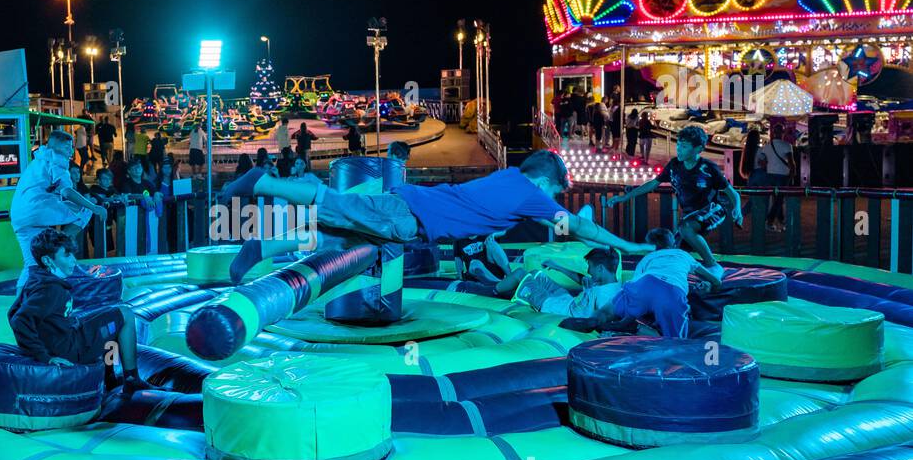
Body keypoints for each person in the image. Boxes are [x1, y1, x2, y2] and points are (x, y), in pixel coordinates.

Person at [228, 149, 652, 284]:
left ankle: (260, 246)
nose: (556, 202)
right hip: (406, 215)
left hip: (410, 216)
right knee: (331, 203)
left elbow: (556, 224)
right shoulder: (530, 193)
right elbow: (578, 225)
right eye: (557, 192)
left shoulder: (509, 179)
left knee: (335, 240)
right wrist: (628, 245)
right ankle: (261, 182)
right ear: (546, 184)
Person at [8, 228, 152, 394]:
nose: (74, 261)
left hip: (64, 338)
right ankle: (131, 379)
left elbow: (13, 312)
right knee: (125, 314)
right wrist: (44, 357)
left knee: (105, 317)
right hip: (70, 350)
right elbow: (20, 320)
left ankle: (109, 377)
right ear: (48, 260)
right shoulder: (50, 290)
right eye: (67, 255)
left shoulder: (35, 279)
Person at [605, 125, 742, 279]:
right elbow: (653, 184)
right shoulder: (674, 166)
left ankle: (712, 265)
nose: (679, 149)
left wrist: (737, 209)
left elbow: (733, 193)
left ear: (698, 149)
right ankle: (700, 277)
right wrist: (625, 197)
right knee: (676, 252)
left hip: (714, 209)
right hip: (691, 215)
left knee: (686, 228)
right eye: (678, 145)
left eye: (684, 146)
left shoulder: (708, 168)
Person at [10, 129, 107, 290]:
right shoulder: (57, 160)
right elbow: (67, 191)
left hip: (19, 216)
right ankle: (60, 243)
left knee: (32, 264)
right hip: (37, 211)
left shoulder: (38, 159)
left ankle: (18, 304)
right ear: (57, 146)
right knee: (85, 209)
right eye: (68, 146)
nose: (71, 150)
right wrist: (94, 207)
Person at [601, 227, 722, 338]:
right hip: (671, 293)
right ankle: (634, 327)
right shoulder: (682, 254)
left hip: (647, 286)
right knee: (675, 339)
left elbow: (635, 285)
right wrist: (712, 285)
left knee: (621, 305)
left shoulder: (647, 258)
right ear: (673, 244)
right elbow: (712, 278)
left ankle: (624, 325)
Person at [511, 248, 623, 322]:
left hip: (552, 307)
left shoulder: (603, 296)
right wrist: (557, 267)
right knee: (537, 274)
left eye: (590, 266)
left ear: (600, 268)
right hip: (566, 300)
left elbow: (604, 318)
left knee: (520, 274)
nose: (588, 271)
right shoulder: (612, 284)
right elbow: (581, 278)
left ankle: (494, 291)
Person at [760, 124, 796, 233]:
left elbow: (762, 162)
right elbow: (791, 162)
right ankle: (770, 221)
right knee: (779, 199)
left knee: (776, 199)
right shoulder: (787, 145)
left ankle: (781, 221)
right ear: (783, 132)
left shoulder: (766, 147)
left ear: (773, 133)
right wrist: (792, 173)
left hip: (770, 175)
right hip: (783, 175)